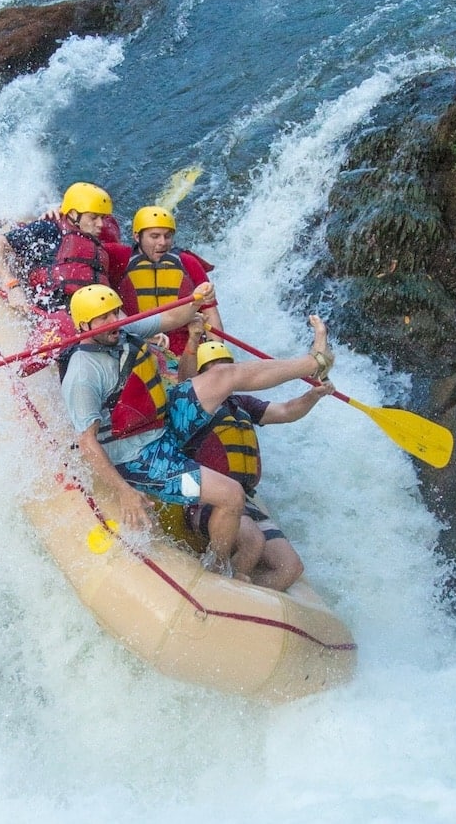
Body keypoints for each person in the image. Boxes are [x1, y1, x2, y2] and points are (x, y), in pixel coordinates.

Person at [61, 283, 335, 581]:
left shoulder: (125, 329)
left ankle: (314, 361)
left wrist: (197, 300)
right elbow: (87, 442)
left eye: (115, 312)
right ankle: (217, 565)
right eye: (103, 318)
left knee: (223, 375)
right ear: (85, 325)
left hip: (163, 420)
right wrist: (124, 491)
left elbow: (171, 318)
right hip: (137, 456)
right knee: (232, 495)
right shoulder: (83, 373)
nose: (113, 320)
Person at [178, 334, 332, 591]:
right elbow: (185, 381)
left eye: (228, 366)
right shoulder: (193, 407)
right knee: (253, 542)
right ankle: (220, 588)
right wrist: (192, 341)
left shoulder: (242, 404)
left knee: (290, 568)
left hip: (244, 499)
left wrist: (313, 396)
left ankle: (242, 594)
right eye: (215, 369)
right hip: (207, 496)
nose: (225, 373)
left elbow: (286, 411)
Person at [0, 181, 131, 315]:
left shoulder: (96, 247)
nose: (100, 224)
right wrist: (12, 286)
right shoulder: (49, 229)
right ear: (73, 214)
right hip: (54, 313)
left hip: (90, 316)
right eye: (93, 217)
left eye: (102, 218)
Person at [117, 205, 220, 359]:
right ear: (137, 237)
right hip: (140, 349)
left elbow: (211, 315)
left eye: (167, 236)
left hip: (185, 351)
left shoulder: (188, 262)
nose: (162, 242)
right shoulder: (120, 262)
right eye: (155, 236)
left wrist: (217, 354)